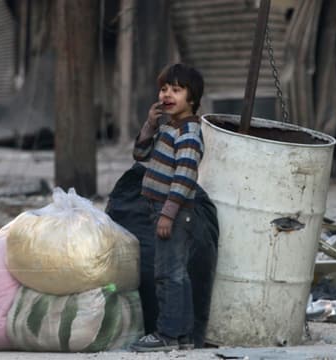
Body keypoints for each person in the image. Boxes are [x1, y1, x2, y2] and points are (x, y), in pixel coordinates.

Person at [129, 63, 204, 352]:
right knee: (176, 273)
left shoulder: (188, 132)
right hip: (163, 210)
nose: (167, 95)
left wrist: (167, 214)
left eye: (176, 89)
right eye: (164, 89)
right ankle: (182, 336)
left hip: (173, 212)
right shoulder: (169, 127)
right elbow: (140, 154)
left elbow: (185, 176)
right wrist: (149, 123)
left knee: (168, 274)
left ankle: (168, 334)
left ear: (193, 98)